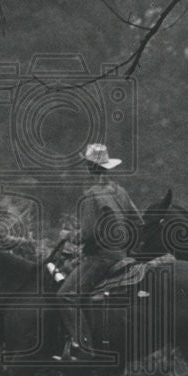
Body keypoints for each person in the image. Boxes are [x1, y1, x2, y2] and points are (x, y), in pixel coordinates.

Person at [56, 144, 143, 359]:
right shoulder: (119, 191)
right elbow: (138, 222)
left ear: (88, 166)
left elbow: (87, 234)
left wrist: (67, 236)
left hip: (101, 257)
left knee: (65, 296)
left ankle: (82, 347)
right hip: (123, 255)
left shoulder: (91, 195)